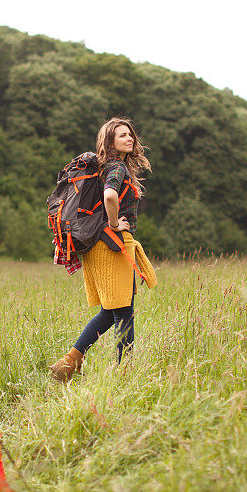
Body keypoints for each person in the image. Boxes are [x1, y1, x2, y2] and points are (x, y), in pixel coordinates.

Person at [49, 117, 157, 382]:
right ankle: (124, 373)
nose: (129, 138)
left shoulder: (102, 167)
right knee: (123, 310)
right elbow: (110, 196)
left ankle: (69, 363)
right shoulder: (117, 167)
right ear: (109, 141)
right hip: (112, 244)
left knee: (113, 310)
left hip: (98, 245)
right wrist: (114, 223)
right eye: (122, 135)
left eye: (130, 134)